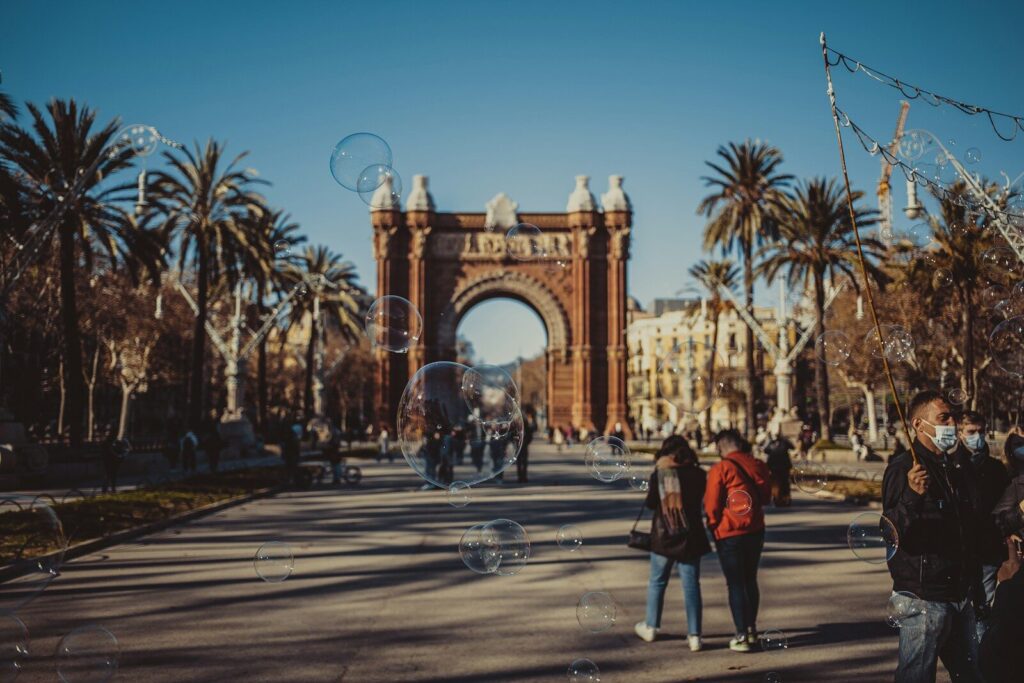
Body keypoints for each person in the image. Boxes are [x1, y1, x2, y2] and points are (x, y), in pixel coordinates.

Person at [882, 390, 983, 683]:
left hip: (958, 593)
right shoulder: (904, 468)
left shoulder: (951, 468)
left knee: (973, 673)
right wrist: (913, 496)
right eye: (943, 417)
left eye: (952, 416)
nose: (952, 423)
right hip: (924, 597)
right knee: (916, 675)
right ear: (918, 424)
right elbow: (891, 531)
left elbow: (966, 531)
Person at [634, 435, 711, 651]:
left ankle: (650, 627)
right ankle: (695, 635)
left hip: (664, 535)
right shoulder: (698, 474)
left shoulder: (660, 473)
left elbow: (650, 504)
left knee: (657, 582)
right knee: (691, 586)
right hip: (691, 536)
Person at [704, 428, 772, 652]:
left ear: (721, 446)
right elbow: (765, 497)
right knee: (750, 579)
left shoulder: (720, 468)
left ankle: (741, 635)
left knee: (735, 583)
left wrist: (713, 524)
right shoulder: (757, 464)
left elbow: (712, 504)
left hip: (729, 532)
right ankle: (751, 630)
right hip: (755, 530)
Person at [958, 410, 1009, 640]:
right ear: (960, 433)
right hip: (960, 550)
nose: (977, 437)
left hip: (988, 548)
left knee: (984, 608)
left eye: (980, 431)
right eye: (971, 432)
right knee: (962, 608)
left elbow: (1007, 506)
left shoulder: (996, 469)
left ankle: (980, 660)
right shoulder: (951, 467)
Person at [762, 431, 794, 507]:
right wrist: (768, 440)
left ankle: (786, 499)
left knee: (785, 483)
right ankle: (777, 499)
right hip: (774, 467)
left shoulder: (784, 442)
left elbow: (792, 447)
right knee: (776, 484)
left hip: (784, 466)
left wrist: (785, 440)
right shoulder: (770, 443)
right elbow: (765, 450)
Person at [518, 411, 536, 484]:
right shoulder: (519, 428)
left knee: (523, 463)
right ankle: (521, 477)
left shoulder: (526, 428)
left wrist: (526, 443)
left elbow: (531, 433)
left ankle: (523, 477)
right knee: (521, 463)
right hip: (520, 447)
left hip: (522, 447)